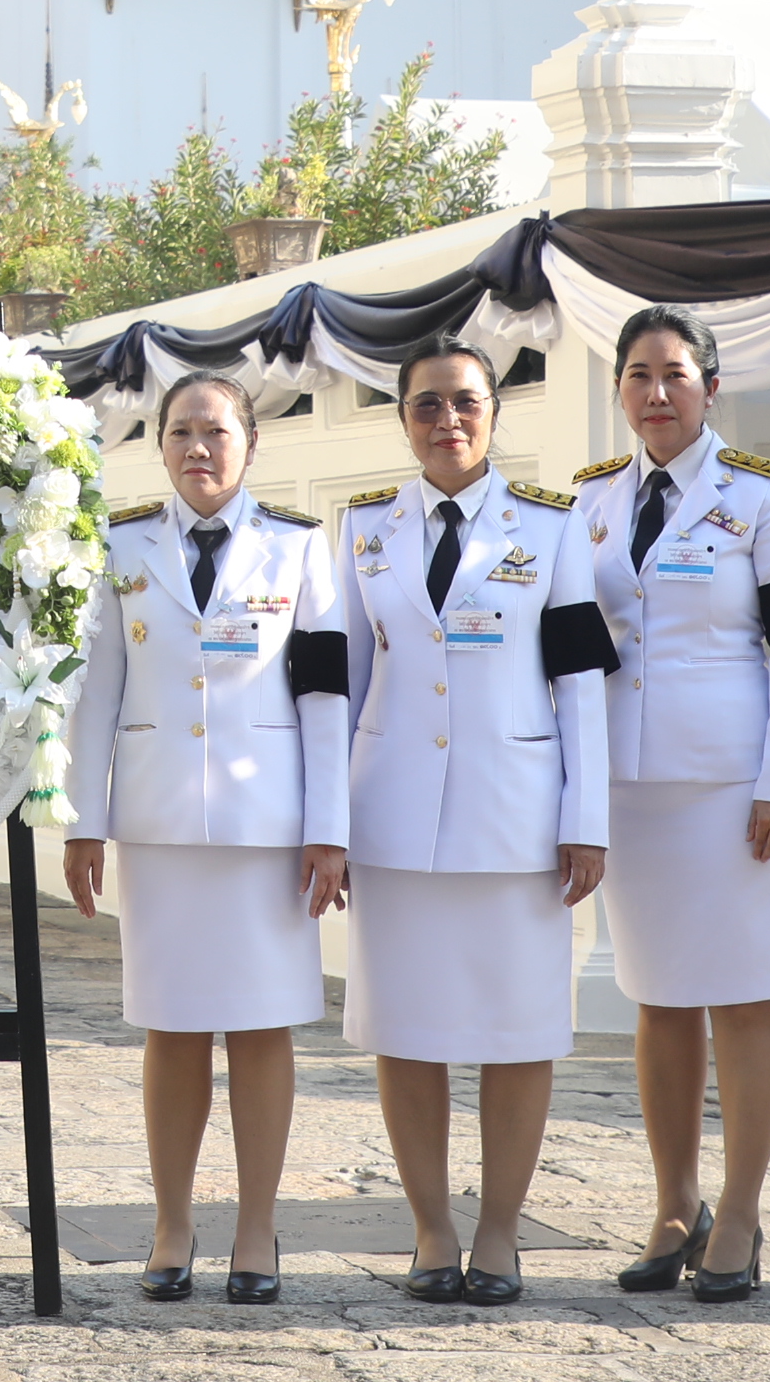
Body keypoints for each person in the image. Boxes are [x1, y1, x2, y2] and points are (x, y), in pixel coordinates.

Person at [59, 371, 349, 1306]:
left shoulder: (300, 551)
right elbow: (96, 693)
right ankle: (173, 1222)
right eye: (181, 432)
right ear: (162, 446)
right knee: (173, 1029)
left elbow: (325, 697)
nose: (198, 449)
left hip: (268, 828)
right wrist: (82, 820)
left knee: (263, 1028)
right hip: (159, 827)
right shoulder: (123, 549)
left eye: (216, 432)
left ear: (251, 444)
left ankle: (257, 1226)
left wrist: (329, 829)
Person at [331, 340, 604, 1308]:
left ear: (494, 413)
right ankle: (431, 1230)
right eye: (426, 406)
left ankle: (498, 1233)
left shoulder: (552, 528)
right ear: (401, 418)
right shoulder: (363, 531)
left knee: (518, 1029)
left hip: (515, 817)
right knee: (405, 1030)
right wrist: (329, 820)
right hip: (394, 818)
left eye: (465, 403)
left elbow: (579, 681)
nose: (447, 421)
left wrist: (589, 816)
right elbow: (344, 684)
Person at [568, 306, 770, 1306]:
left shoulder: (764, 497)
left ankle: (743, 1211)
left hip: (729, 784)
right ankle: (675, 1206)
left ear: (712, 388)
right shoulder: (589, 502)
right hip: (632, 787)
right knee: (658, 995)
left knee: (741, 993)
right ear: (620, 391)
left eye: (676, 374)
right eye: (638, 375)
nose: (657, 393)